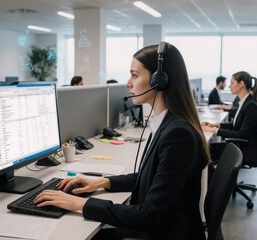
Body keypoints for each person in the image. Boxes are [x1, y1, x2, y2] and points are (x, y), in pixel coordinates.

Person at [34, 42, 209, 240]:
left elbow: (149, 216)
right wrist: (101, 182)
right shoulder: (167, 124)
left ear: (159, 80)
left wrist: (79, 204)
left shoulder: (178, 135)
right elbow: (150, 178)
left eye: (135, 75)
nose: (128, 83)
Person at [202, 71, 257, 165]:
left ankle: (215, 179)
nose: (229, 86)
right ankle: (214, 178)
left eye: (232, 83)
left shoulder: (251, 106)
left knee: (204, 151)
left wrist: (214, 130)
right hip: (240, 146)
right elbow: (235, 124)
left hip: (244, 150)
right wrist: (216, 125)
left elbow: (242, 134)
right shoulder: (245, 102)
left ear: (241, 84)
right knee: (205, 149)